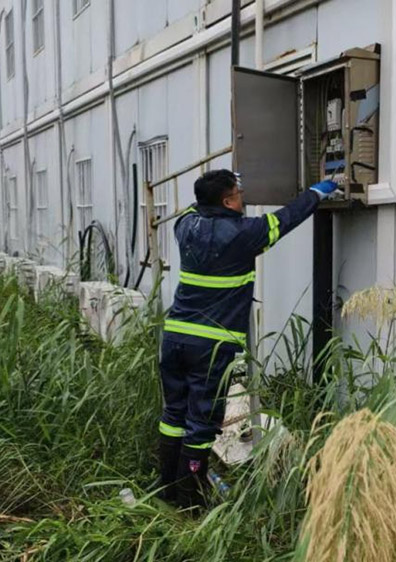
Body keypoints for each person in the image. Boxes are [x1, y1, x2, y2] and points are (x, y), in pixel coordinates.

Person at [158, 169, 338, 510]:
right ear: (227, 202)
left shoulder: (185, 225)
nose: (243, 197)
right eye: (238, 193)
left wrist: (221, 184)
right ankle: (191, 501)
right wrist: (317, 192)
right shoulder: (243, 234)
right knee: (201, 424)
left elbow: (199, 204)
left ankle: (167, 489)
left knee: (174, 415)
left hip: (174, 337)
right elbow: (287, 218)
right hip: (209, 347)